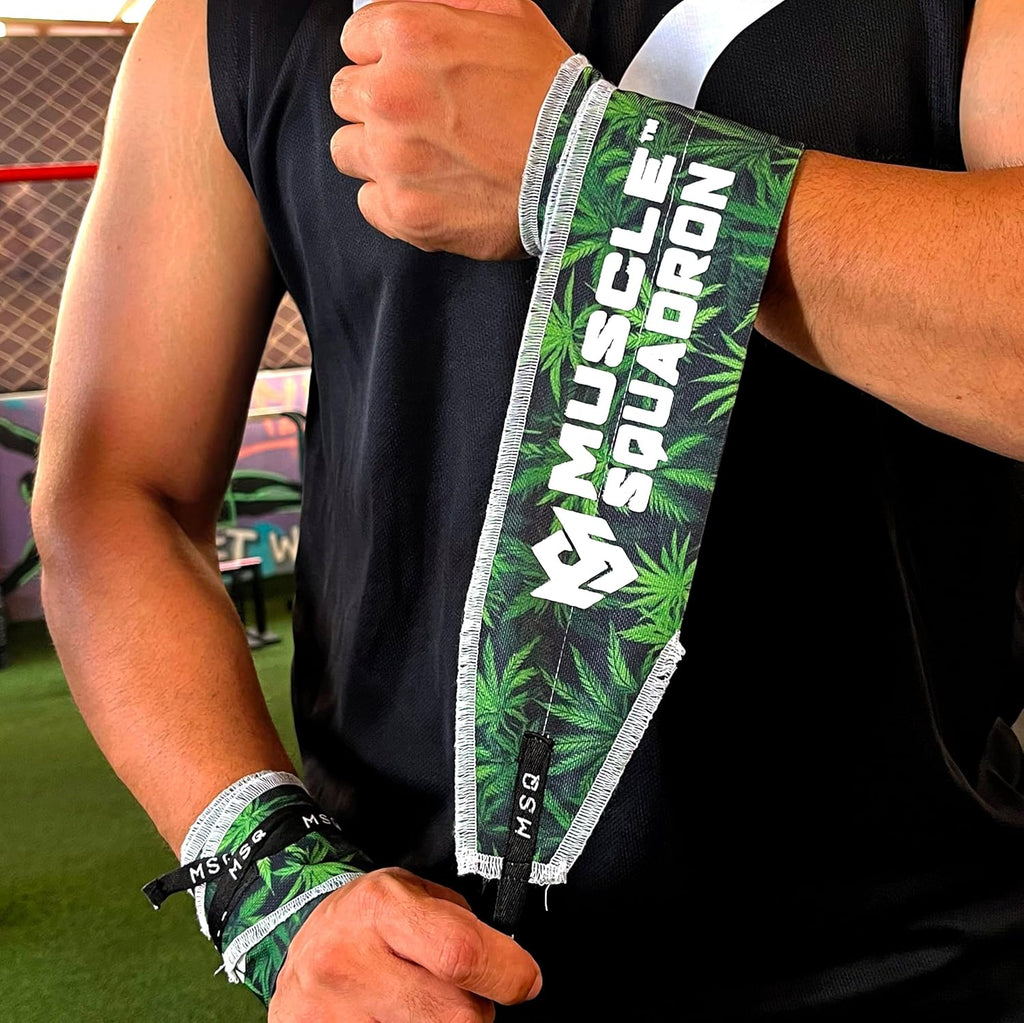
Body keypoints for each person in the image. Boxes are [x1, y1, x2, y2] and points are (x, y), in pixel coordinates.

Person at [32, 0, 1024, 1019]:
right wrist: (276, 882)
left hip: (917, 956)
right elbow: (117, 489)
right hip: (417, 963)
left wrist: (600, 167)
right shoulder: (224, 24)